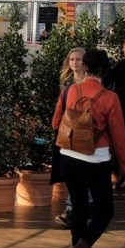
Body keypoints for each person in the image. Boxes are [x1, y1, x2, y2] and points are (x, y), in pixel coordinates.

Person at [59, 49, 125, 248]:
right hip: (95, 158)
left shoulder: (71, 90)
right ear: (105, 70)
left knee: (79, 208)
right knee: (105, 211)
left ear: (85, 67)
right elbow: (119, 135)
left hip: (68, 154)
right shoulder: (110, 98)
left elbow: (57, 120)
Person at [51, 47, 87, 229]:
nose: (74, 62)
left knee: (80, 172)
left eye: (78, 59)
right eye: (72, 59)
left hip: (86, 133)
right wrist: (58, 127)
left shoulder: (91, 83)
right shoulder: (67, 84)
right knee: (76, 172)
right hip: (69, 134)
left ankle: (73, 209)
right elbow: (60, 108)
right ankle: (75, 208)